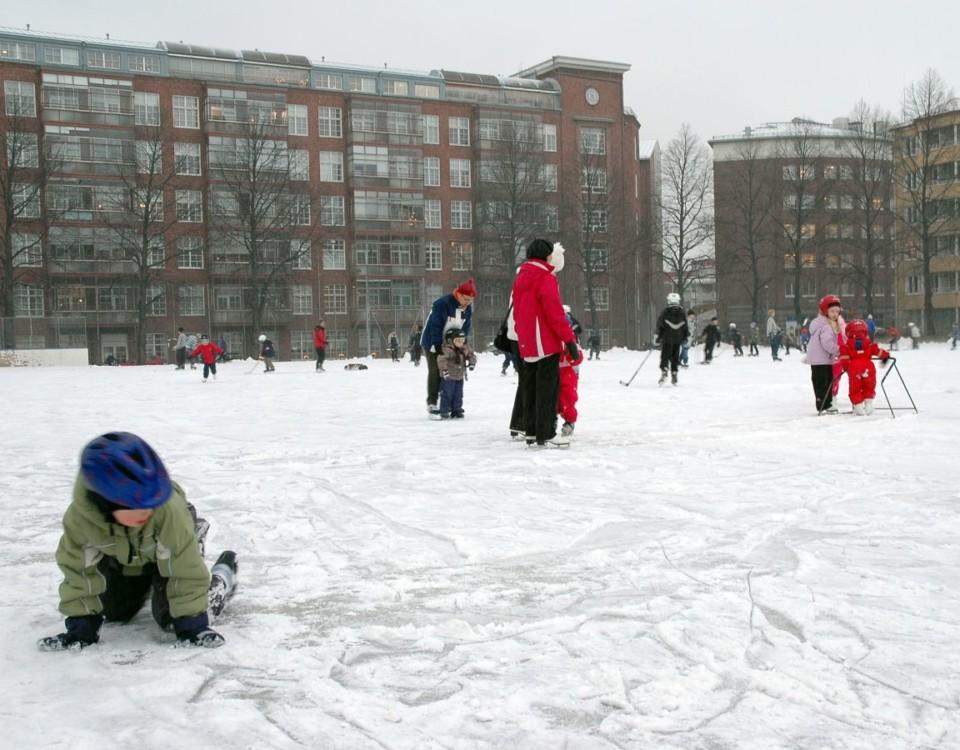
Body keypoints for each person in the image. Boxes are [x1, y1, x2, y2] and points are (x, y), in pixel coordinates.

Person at [38, 432, 236, 651]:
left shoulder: (166, 513)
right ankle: (145, 582)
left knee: (173, 618)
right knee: (114, 613)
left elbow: (185, 570)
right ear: (107, 503)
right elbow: (78, 572)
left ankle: (216, 571)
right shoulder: (82, 520)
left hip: (171, 547)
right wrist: (81, 628)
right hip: (123, 556)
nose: (148, 510)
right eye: (137, 505)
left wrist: (191, 625)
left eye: (152, 501)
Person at [512, 239, 576, 447]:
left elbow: (518, 310)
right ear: (546, 255)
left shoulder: (521, 275)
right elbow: (554, 311)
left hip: (527, 341)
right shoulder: (545, 277)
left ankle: (531, 431)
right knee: (548, 390)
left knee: (529, 388)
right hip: (545, 341)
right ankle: (546, 432)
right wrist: (569, 339)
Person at [421, 279, 476, 417]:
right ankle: (432, 402)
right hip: (433, 341)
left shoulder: (467, 309)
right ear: (459, 294)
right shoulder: (443, 303)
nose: (468, 303)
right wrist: (437, 345)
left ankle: (450, 404)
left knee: (452, 372)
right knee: (436, 370)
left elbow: (465, 328)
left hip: (453, 343)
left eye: (471, 300)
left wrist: (464, 345)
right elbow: (435, 325)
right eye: (466, 299)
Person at [838, 319, 890, 416]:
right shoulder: (869, 344)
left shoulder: (846, 346)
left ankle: (858, 406)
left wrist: (846, 368)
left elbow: (844, 358)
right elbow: (879, 352)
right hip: (868, 367)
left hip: (854, 368)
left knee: (855, 388)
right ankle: (869, 404)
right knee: (869, 386)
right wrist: (885, 356)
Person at [808, 295, 843, 414]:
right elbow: (827, 344)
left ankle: (825, 403)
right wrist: (839, 350)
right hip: (821, 360)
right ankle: (824, 404)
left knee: (826, 381)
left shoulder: (823, 324)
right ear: (824, 311)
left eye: (837, 312)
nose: (835, 314)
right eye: (832, 311)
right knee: (823, 382)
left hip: (821, 359)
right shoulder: (826, 326)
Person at [436, 327, 476, 419]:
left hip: (459, 376)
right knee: (447, 394)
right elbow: (441, 360)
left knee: (458, 394)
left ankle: (456, 409)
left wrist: (472, 363)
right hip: (448, 377)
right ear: (450, 341)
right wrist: (444, 371)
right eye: (458, 341)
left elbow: (471, 354)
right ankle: (445, 410)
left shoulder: (463, 349)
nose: (460, 343)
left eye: (462, 341)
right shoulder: (446, 350)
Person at [655, 292, 689, 385]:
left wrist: (658, 336)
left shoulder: (665, 312)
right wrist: (686, 336)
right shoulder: (682, 313)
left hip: (667, 339)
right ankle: (674, 373)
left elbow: (660, 325)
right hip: (677, 339)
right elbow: (685, 326)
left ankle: (664, 369)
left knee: (665, 356)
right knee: (675, 357)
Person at [558, 340, 584, 436]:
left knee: (568, 398)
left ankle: (570, 421)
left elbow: (578, 357)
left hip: (568, 373)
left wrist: (571, 352)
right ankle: (551, 419)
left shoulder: (570, 338)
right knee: (551, 398)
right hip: (552, 370)